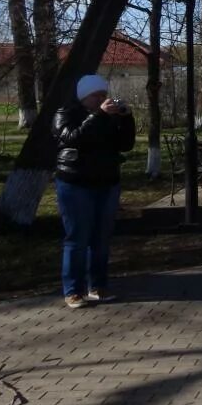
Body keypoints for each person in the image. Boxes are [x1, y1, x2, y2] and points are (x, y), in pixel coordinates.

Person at [53, 74, 135, 308]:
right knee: (77, 237)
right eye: (96, 95)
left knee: (100, 238)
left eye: (103, 94)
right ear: (84, 96)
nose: (101, 98)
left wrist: (127, 119)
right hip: (75, 183)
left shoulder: (107, 118)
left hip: (106, 183)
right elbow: (72, 138)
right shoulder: (66, 113)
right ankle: (73, 290)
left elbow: (125, 144)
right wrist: (98, 114)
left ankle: (98, 286)